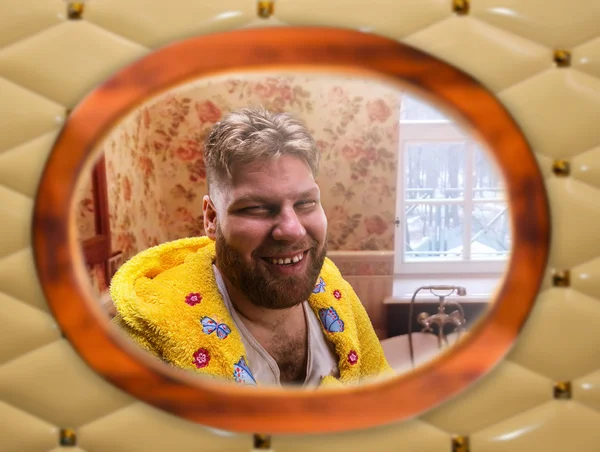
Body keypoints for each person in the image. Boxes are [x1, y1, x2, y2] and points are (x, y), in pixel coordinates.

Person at [110, 106, 394, 388]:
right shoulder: (140, 346)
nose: (292, 229)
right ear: (211, 218)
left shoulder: (335, 292)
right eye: (257, 208)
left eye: (306, 203)